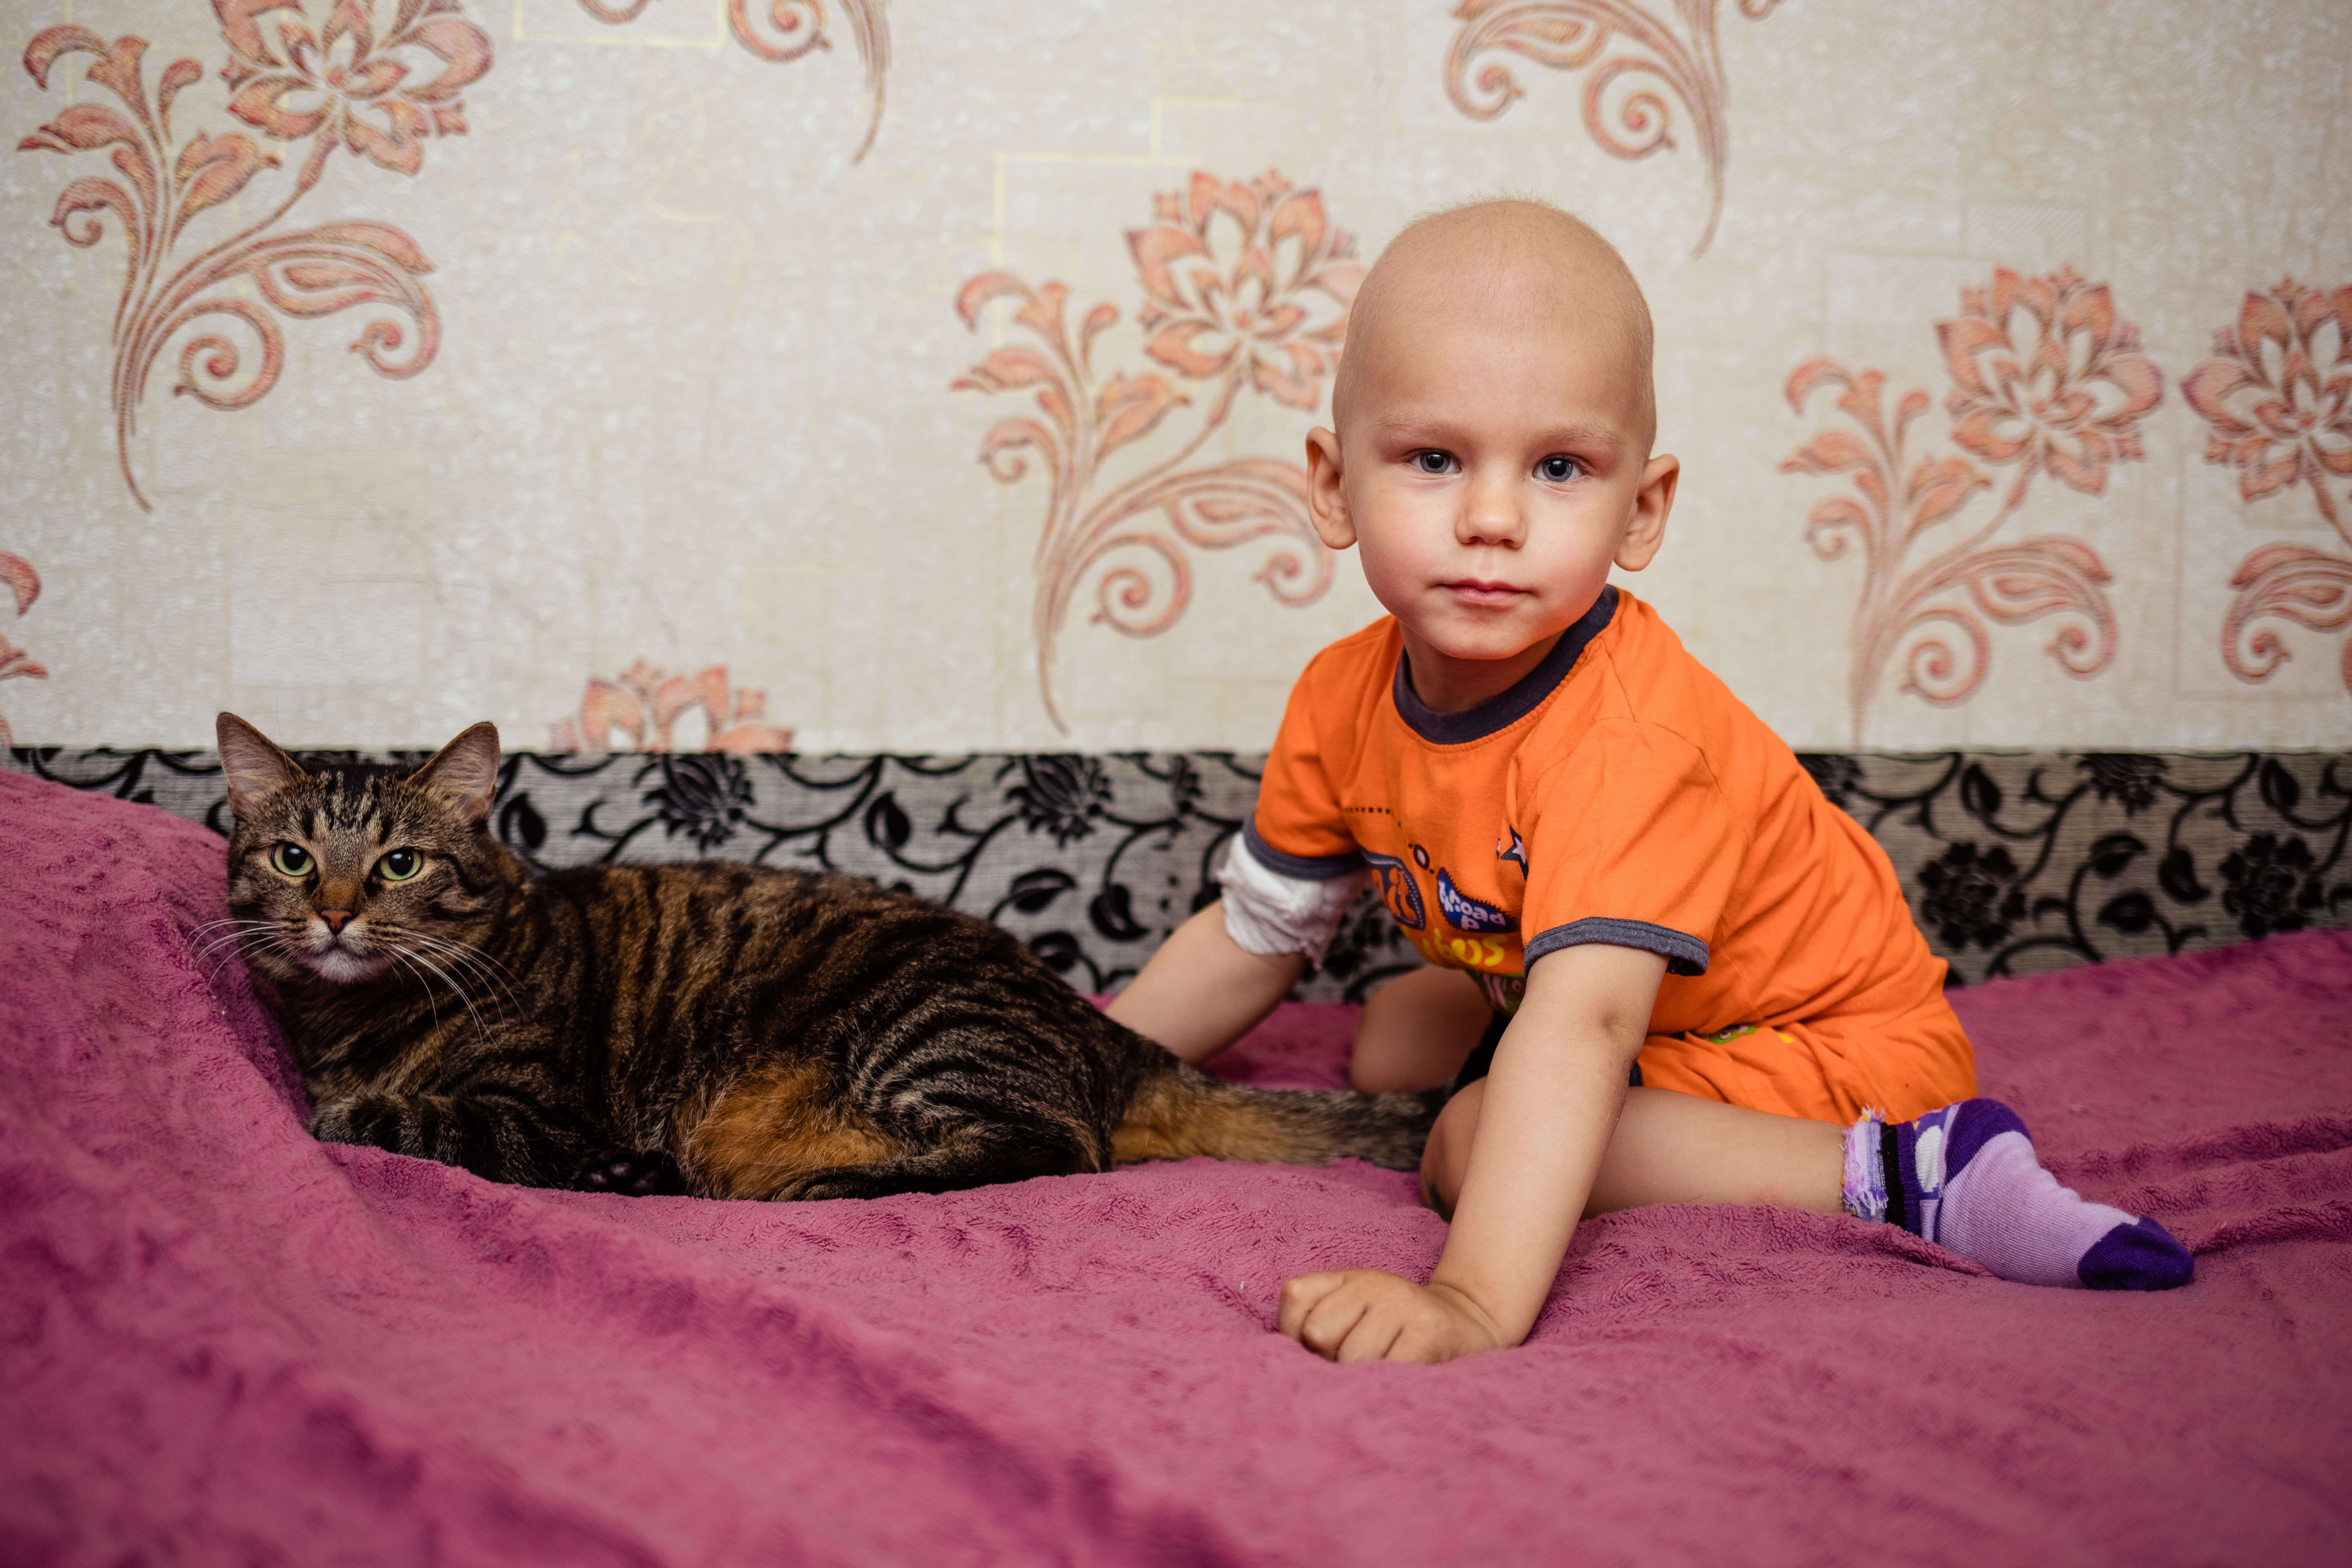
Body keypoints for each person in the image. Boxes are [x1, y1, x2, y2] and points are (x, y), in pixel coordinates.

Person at [1106, 199, 2191, 1366]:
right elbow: (1255, 935)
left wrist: (1472, 1300)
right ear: (1332, 485)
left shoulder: (1630, 736)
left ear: (1642, 510)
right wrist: (1077, 1076)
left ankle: (1926, 1177)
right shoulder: (1340, 694)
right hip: (1627, 1007)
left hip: (1831, 1046)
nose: (1490, 518)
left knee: (1466, 1140)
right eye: (1433, 459)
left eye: (1558, 468)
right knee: (1394, 1037)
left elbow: (1586, 1023)